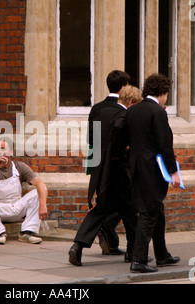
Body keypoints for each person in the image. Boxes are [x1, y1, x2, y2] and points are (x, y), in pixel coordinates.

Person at [69, 71, 138, 266]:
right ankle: (133, 252)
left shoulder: (97, 108)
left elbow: (92, 140)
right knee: (130, 208)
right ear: (124, 86)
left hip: (102, 167)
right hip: (120, 166)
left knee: (101, 207)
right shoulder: (126, 108)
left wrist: (94, 170)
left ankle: (78, 246)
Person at [126, 73, 181, 273]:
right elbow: (164, 145)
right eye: (167, 93)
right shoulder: (157, 112)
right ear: (163, 93)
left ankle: (162, 255)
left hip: (136, 168)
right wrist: (174, 172)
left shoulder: (133, 110)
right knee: (149, 213)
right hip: (152, 170)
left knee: (157, 211)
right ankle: (138, 260)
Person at [0, 137, 48, 245]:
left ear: (11, 152)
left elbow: (40, 184)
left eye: (3, 149)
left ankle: (27, 232)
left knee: (37, 192)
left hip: (17, 208)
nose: (0, 152)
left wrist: (43, 205)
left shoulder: (19, 166)